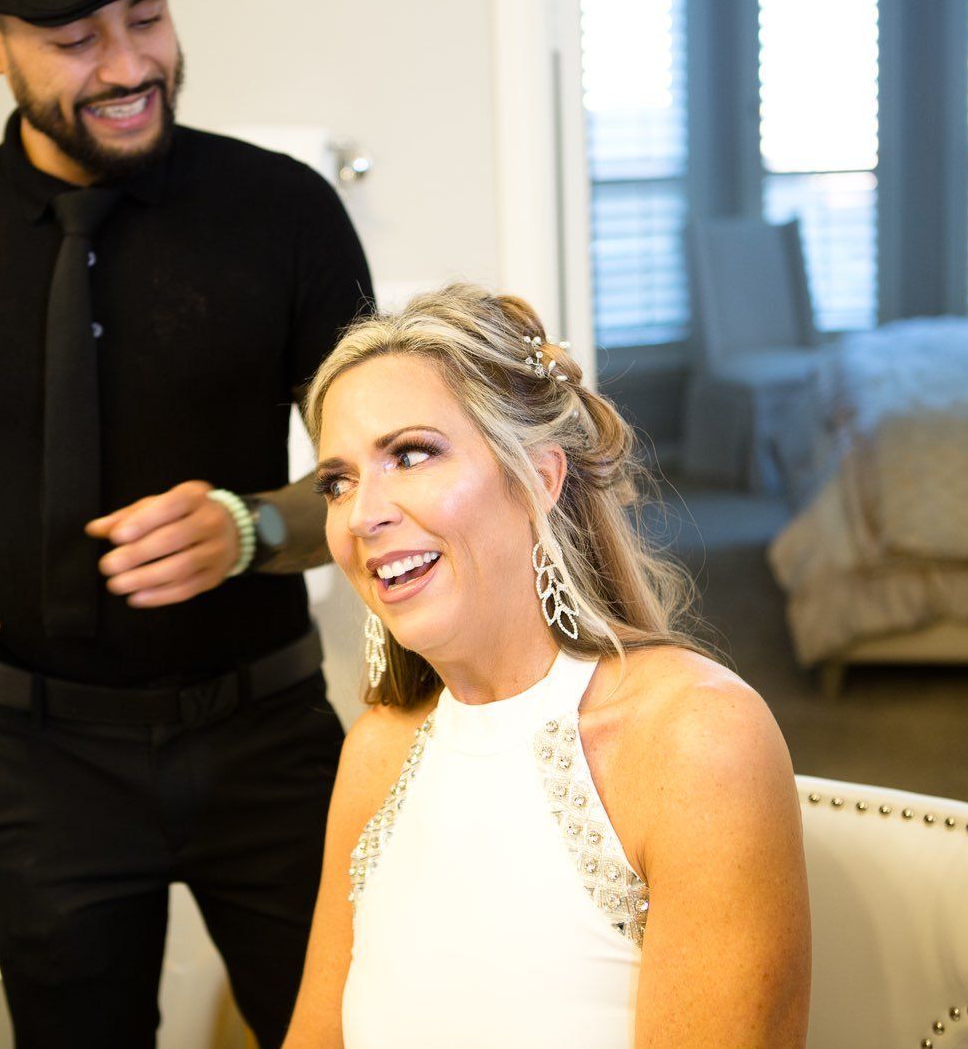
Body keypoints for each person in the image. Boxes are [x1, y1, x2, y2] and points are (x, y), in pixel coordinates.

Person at [0, 0, 372, 1045]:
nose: (130, 67)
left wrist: (250, 528)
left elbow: (379, 481)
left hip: (268, 741)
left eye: (148, 20)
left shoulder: (288, 210)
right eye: (76, 40)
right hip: (38, 765)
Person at [281, 285, 812, 1047]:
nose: (363, 514)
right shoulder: (376, 752)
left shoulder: (698, 742)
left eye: (411, 453)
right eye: (339, 481)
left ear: (539, 477)